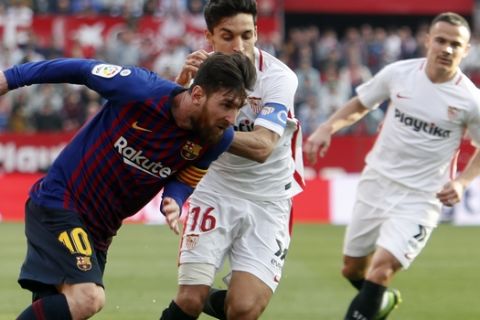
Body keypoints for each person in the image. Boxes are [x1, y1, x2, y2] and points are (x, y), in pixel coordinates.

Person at [3, 52, 256, 320]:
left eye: (238, 107)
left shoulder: (219, 138)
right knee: (88, 298)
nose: (232, 118)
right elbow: (79, 69)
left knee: (63, 305)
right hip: (61, 203)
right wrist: (11, 78)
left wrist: (174, 200)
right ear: (197, 95)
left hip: (100, 231)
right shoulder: (139, 89)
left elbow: (185, 179)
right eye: (226, 104)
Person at [304, 12, 480, 320]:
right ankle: (380, 304)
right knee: (352, 268)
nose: (447, 49)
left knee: (381, 270)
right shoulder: (399, 73)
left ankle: (373, 298)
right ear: (428, 41)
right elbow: (361, 104)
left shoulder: (470, 101)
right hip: (377, 182)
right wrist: (326, 128)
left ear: (466, 50)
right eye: (440, 40)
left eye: (456, 44)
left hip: (422, 197)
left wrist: (462, 182)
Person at [160, 1, 304, 319]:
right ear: (209, 36)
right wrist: (179, 87)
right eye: (227, 36)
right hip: (213, 190)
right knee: (189, 299)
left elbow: (263, 146)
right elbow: (166, 126)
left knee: (243, 309)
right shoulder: (200, 76)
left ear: (257, 33)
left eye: (246, 35)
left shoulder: (279, 79)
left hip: (269, 200)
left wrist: (208, 130)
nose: (239, 47)